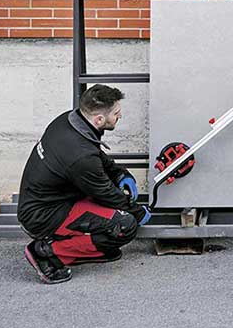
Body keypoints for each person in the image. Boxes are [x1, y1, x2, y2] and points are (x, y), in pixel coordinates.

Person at [17, 84, 150, 284]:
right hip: (44, 215)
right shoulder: (80, 156)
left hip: (54, 198)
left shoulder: (68, 121)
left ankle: (94, 249)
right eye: (116, 113)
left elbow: (94, 155)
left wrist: (120, 174)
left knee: (113, 215)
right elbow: (104, 190)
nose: (119, 116)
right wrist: (138, 212)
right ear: (99, 119)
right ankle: (47, 254)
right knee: (124, 225)